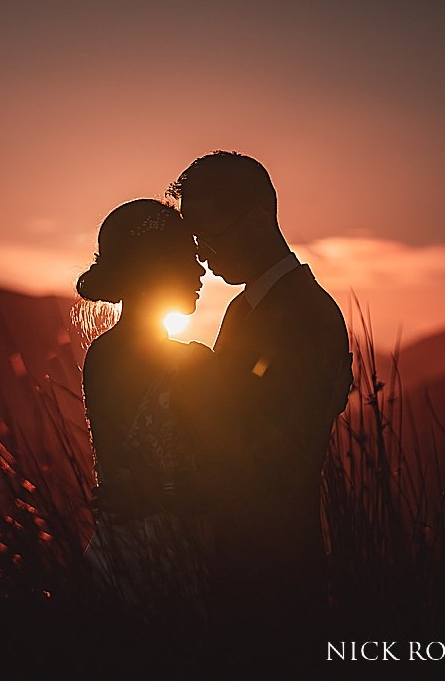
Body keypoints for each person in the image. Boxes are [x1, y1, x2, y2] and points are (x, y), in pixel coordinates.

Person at [167, 150, 353, 657]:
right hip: (236, 560)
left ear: (256, 214)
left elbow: (274, 451)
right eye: (195, 239)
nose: (202, 253)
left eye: (207, 233)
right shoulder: (240, 309)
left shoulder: (308, 312)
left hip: (277, 569)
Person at [74, 198, 213, 627]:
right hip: (170, 558)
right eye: (187, 259)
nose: (201, 272)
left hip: (115, 553)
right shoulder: (192, 364)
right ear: (156, 268)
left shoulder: (102, 354)